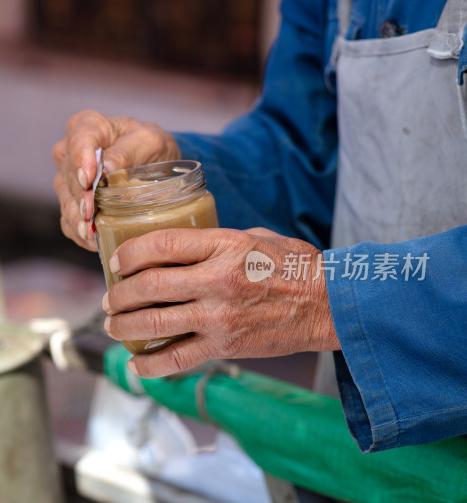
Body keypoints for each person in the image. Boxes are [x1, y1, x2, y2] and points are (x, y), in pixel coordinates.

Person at [53, 0, 467, 454]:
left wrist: (326, 298)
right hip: (356, 462)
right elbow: (306, 157)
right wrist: (172, 176)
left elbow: (320, 289)